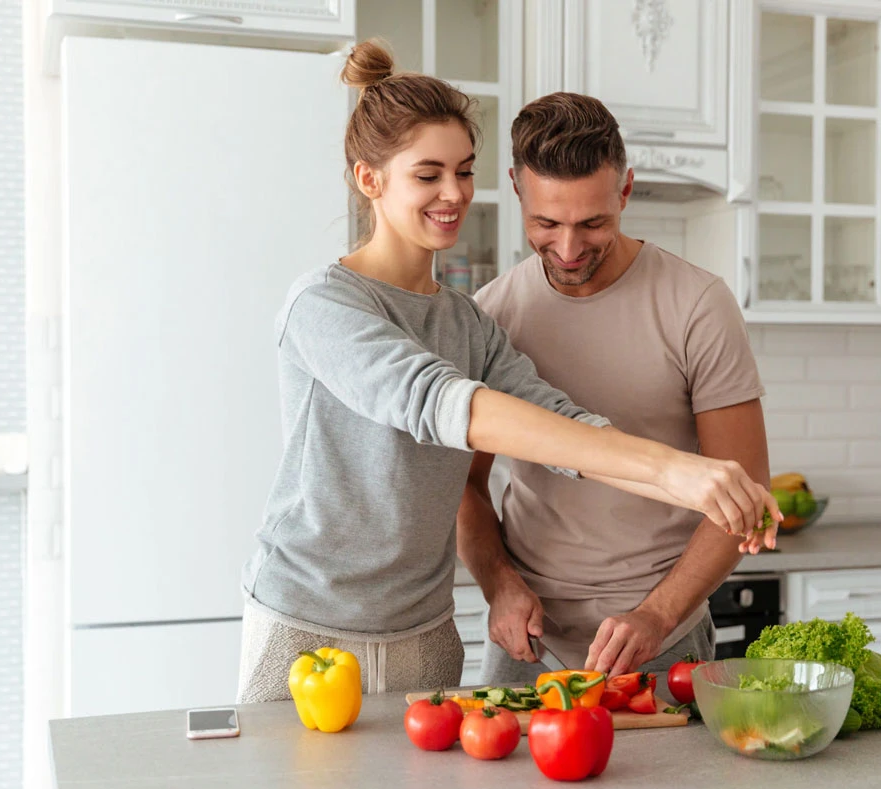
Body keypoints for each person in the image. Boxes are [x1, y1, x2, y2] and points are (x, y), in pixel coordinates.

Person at [236, 46, 778, 702]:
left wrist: (701, 484)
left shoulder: (469, 325)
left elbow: (566, 429)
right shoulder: (322, 305)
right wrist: (673, 471)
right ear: (370, 179)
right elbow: (440, 402)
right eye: (428, 175)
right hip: (309, 622)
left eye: (463, 172)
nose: (453, 194)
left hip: (424, 628)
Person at [459, 92, 776, 689]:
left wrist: (657, 615)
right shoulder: (490, 315)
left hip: (662, 641)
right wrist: (499, 584)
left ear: (625, 191)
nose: (570, 249)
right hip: (524, 642)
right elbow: (463, 488)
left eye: (593, 223)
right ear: (516, 190)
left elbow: (746, 490)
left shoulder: (697, 306)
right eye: (546, 223)